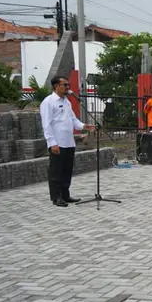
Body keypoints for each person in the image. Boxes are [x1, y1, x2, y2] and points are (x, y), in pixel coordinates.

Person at [40, 75, 95, 207]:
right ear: (56, 86)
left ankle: (66, 194)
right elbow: (46, 125)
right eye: (64, 85)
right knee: (56, 171)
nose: (67, 87)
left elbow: (73, 120)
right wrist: (52, 143)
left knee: (67, 170)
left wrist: (83, 126)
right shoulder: (48, 102)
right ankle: (56, 197)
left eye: (68, 85)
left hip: (69, 141)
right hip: (57, 142)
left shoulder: (67, 101)